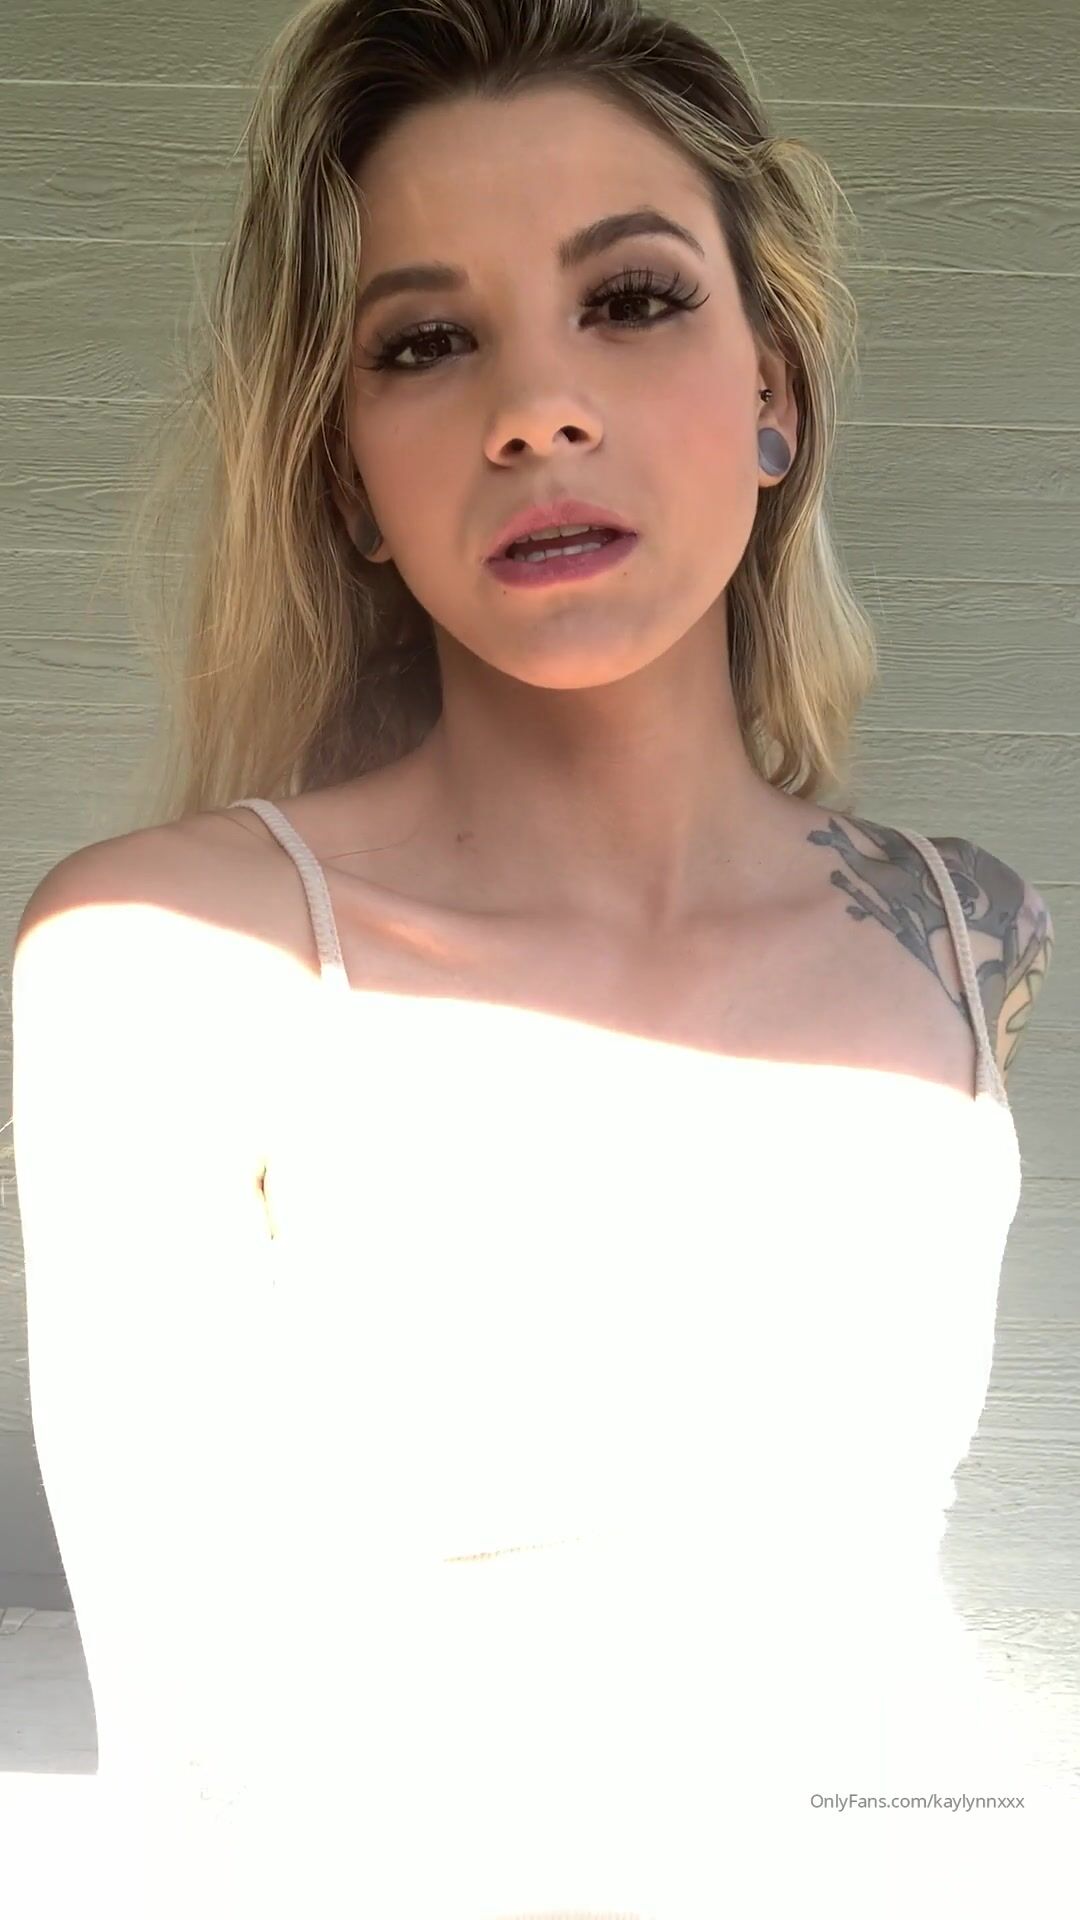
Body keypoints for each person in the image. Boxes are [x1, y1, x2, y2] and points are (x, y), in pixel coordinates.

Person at [10, 2, 1067, 1915]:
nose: (536, 408)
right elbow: (191, 1778)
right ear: (348, 475)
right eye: (428, 343)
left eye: (633, 301)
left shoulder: (965, 922)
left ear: (776, 392)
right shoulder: (162, 961)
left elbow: (882, 1633)